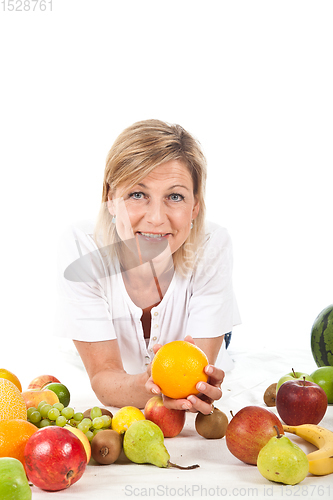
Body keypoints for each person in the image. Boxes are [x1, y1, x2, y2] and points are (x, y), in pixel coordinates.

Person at [56, 119, 241, 414]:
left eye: (175, 196)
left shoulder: (212, 244)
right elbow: (104, 377)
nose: (156, 218)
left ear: (195, 206)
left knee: (224, 342)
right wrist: (154, 388)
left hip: (202, 304)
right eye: (138, 194)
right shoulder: (81, 247)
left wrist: (191, 388)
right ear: (110, 200)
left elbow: (193, 381)